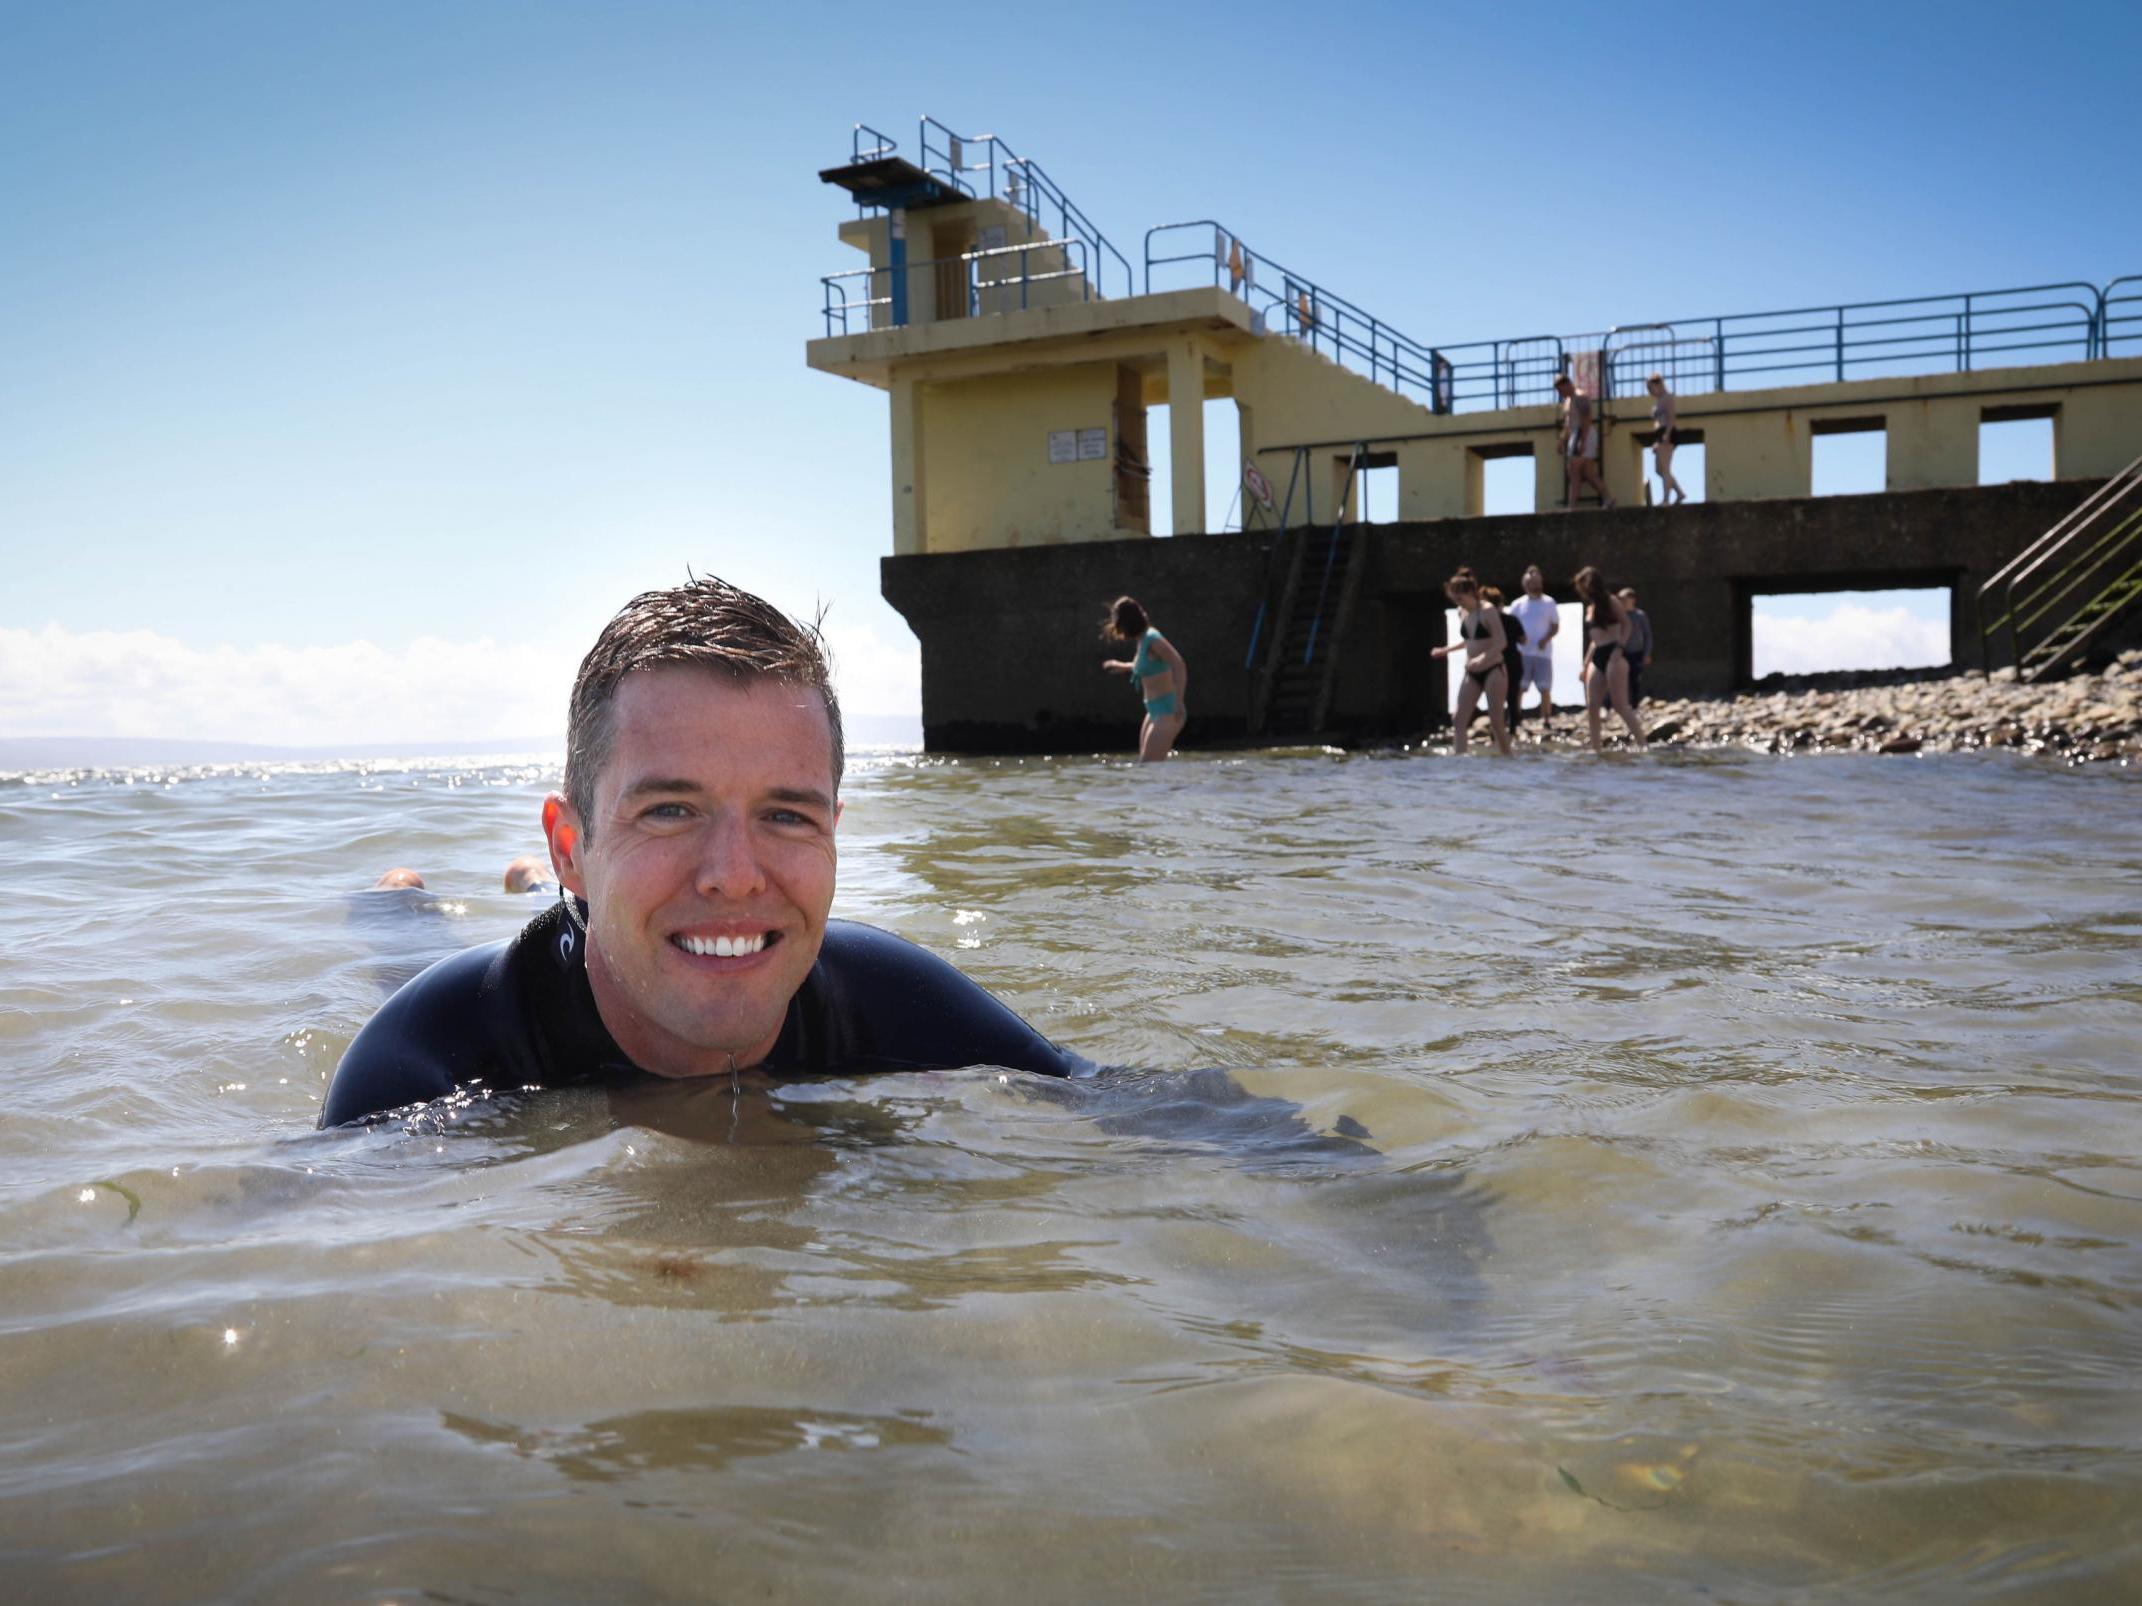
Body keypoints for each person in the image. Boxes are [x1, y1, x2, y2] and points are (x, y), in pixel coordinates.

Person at [321, 577, 1087, 1127]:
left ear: (834, 832)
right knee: (407, 940)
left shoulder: (890, 998)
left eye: (786, 816)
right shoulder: (423, 1070)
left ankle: (524, 878)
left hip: (604, 904)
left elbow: (1152, 1115)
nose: (735, 875)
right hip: (510, 953)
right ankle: (400, 896)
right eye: (671, 811)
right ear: (571, 846)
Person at [1429, 572, 1513, 757]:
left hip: (1494, 669)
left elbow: (1501, 642)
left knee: (1496, 721)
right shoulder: (1462, 612)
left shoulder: (1488, 610)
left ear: (1471, 592)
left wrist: (1481, 659)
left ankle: (1509, 761)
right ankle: (1461, 763)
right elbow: (1470, 640)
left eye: (1460, 595)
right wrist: (1446, 650)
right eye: (1454, 596)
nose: (1458, 600)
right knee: (1458, 719)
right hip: (1472, 672)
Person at [1099, 596, 1188, 763]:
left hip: (1168, 710)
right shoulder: (1142, 640)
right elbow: (1146, 666)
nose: (1119, 631)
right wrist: (1123, 666)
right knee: (1147, 769)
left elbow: (1179, 665)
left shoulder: (1153, 639)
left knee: (1149, 766)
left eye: (1119, 625)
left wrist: (1179, 701)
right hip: (1153, 710)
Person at [1573, 566, 1646, 753]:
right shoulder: (1590, 608)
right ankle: (1596, 748)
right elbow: (1593, 641)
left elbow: (1627, 624)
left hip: (1614, 653)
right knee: (1593, 705)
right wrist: (1585, 663)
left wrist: (1620, 647)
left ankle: (1643, 745)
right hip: (1597, 655)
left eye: (1585, 584)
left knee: (1620, 704)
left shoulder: (1611, 600)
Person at [1504, 564, 1560, 736]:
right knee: (1520, 687)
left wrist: (1546, 639)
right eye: (1530, 583)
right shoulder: (1517, 604)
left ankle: (1546, 719)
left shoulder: (1549, 602)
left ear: (1541, 583)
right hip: (1523, 653)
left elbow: (1555, 625)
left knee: (1544, 688)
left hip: (1543, 654)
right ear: (1525, 585)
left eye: (1536, 582)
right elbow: (1509, 626)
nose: (1533, 586)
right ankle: (1516, 718)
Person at [1555, 375, 1615, 510]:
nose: (1560, 393)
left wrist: (1582, 441)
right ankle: (1608, 499)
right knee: (1588, 473)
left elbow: (1587, 419)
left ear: (1567, 384)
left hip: (1582, 435)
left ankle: (1572, 506)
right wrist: (1562, 441)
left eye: (1560, 390)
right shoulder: (1568, 401)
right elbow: (1568, 424)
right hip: (1577, 436)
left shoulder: (1580, 397)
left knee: (1573, 470)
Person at [1479, 585, 1527, 735]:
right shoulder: (1511, 620)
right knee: (1512, 697)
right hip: (1512, 659)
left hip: (1494, 661)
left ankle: (1496, 732)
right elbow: (1523, 640)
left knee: (1494, 699)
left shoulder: (1486, 621)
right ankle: (1512, 729)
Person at [1645, 373, 1688, 506]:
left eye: (1651, 388)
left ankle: (1666, 499)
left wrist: (1666, 435)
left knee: (1665, 468)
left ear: (1658, 384)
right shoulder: (1659, 400)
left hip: (1667, 433)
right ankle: (1679, 493)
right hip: (1660, 434)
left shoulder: (1668, 398)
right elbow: (1659, 421)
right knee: (1658, 469)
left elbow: (1671, 418)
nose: (1651, 392)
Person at [1617, 586, 1655, 707]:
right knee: (1620, 680)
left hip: (1636, 652)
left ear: (1632, 599)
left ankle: (1634, 706)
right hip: (1621, 653)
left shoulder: (1640, 615)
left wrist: (1647, 653)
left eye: (1624, 599)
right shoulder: (1618, 616)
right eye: (1620, 599)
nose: (1622, 602)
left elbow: (1648, 635)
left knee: (1635, 680)